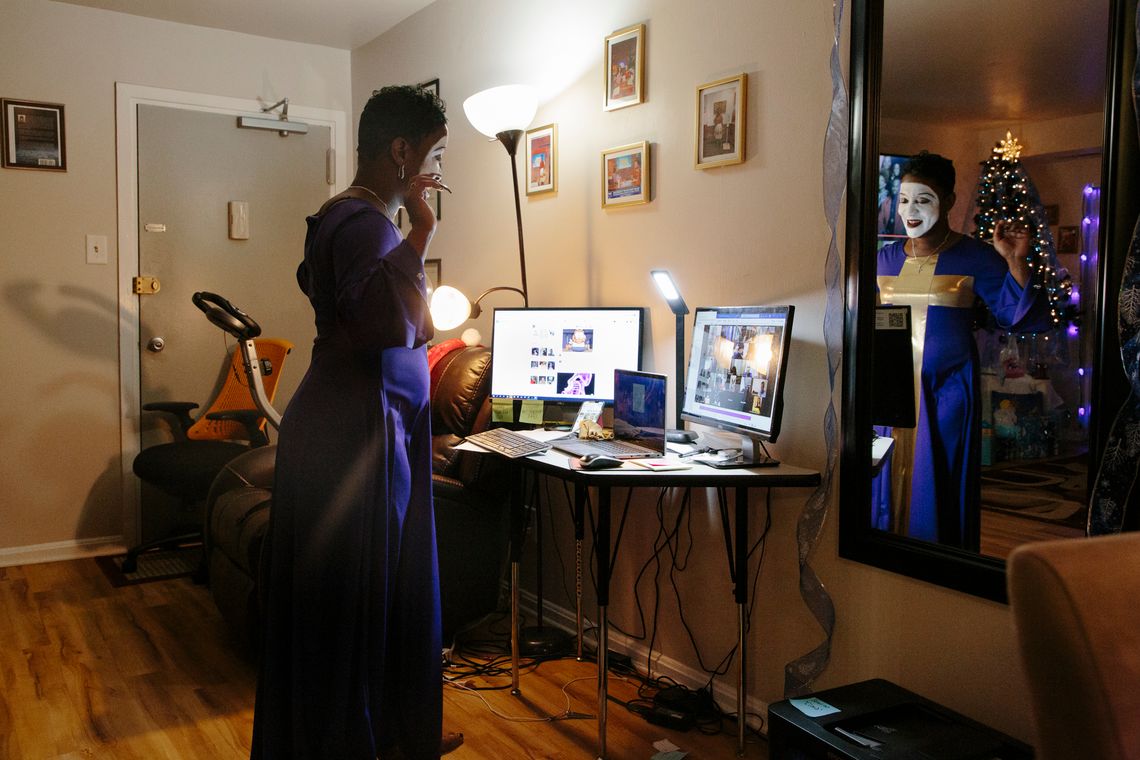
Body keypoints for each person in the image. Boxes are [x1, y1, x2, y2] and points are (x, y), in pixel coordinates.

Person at [251, 85, 461, 759]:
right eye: (432, 154)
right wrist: (423, 231)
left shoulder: (341, 215)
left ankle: (373, 730)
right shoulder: (369, 222)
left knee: (352, 603)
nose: (434, 170)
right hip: (360, 433)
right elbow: (380, 328)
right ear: (401, 151)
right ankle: (359, 739)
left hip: (346, 425)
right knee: (362, 600)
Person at [872, 151, 1051, 550]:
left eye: (923, 199)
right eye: (904, 200)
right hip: (890, 396)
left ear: (949, 201)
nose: (911, 210)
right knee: (886, 486)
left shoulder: (975, 256)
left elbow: (1017, 316)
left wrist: (1017, 263)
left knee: (941, 483)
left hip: (947, 394)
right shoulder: (883, 261)